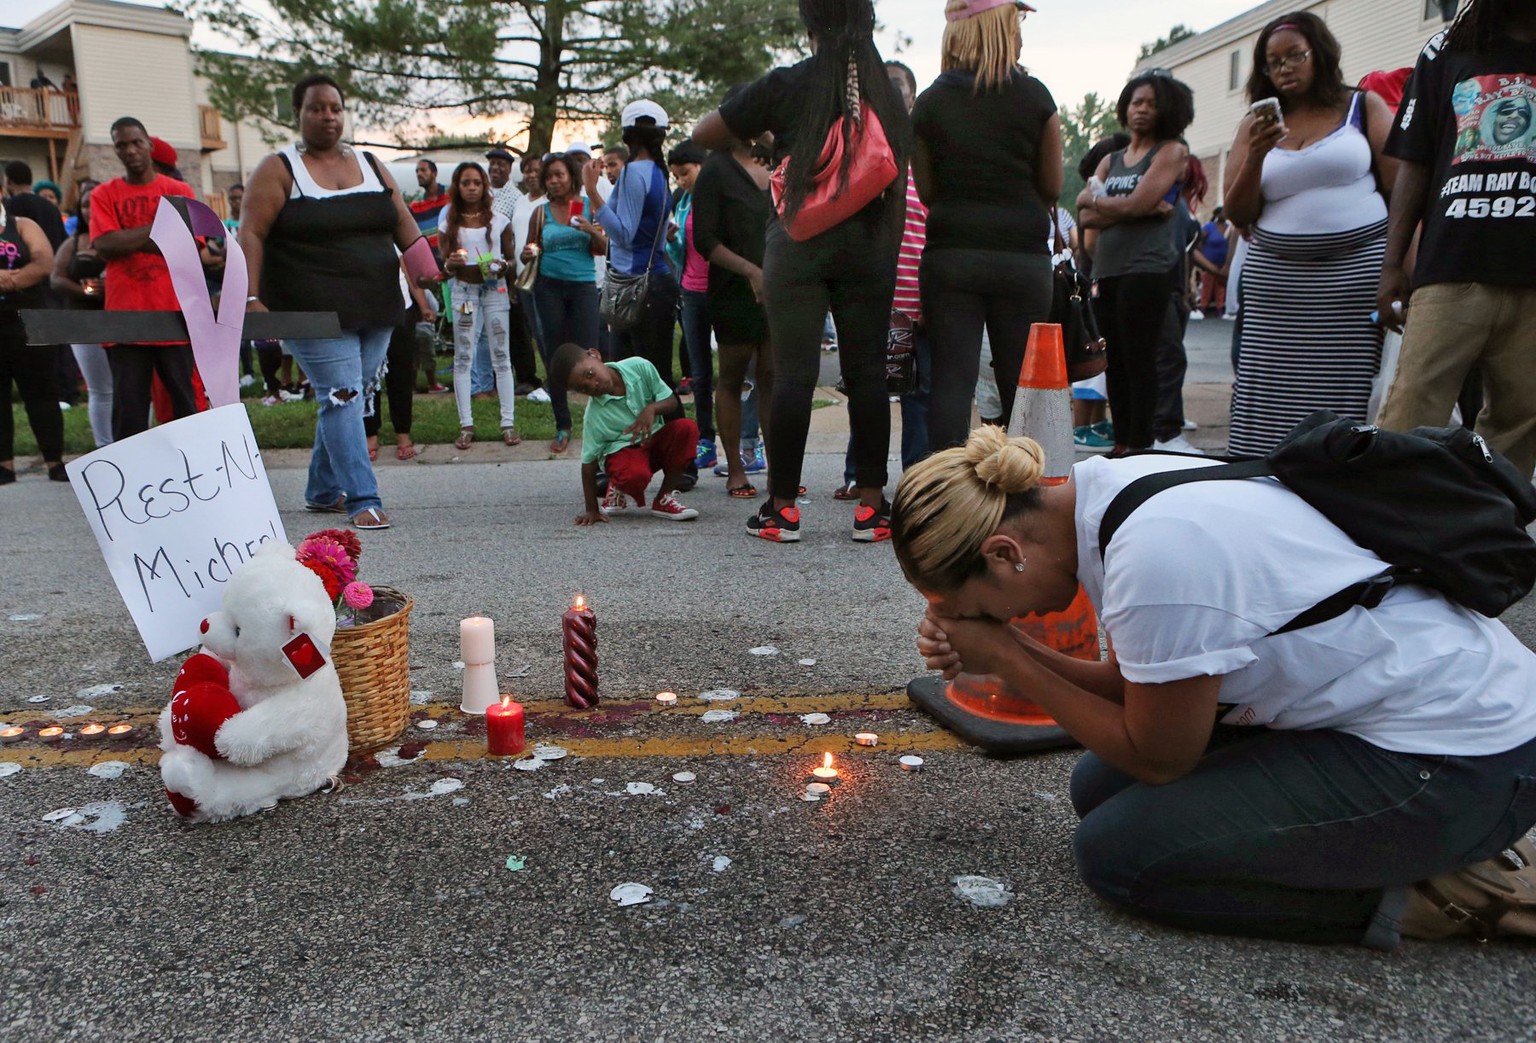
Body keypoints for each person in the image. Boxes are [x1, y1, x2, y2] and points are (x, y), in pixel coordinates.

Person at [891, 424, 1536, 948]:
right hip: (1399, 709)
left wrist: (1007, 655)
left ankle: (1438, 898)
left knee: (1121, 857)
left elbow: (1163, 757)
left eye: (980, 606)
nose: (1000, 621)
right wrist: (1010, 650)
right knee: (1098, 784)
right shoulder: (1116, 486)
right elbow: (1141, 684)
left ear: (1004, 553)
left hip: (1462, 758)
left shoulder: (1156, 558)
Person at [694, 0, 913, 544]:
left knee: (793, 376)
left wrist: (768, 141)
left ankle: (782, 511)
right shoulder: (887, 91)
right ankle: (871, 509)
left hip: (796, 241)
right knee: (866, 376)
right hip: (869, 245)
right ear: (868, 22)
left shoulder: (788, 84)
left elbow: (705, 133)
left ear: (808, 25)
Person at [240, 74, 425, 531]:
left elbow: (401, 220)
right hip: (311, 307)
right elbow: (252, 233)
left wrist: (428, 279)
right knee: (343, 395)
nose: (328, 116)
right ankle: (361, 496)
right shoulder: (278, 168)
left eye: (335, 108)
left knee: (347, 396)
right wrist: (250, 296)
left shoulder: (370, 162)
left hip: (379, 301)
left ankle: (322, 490)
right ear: (298, 113)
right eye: (317, 108)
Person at [1222, 12, 1397, 458]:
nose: (1284, 68)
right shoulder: (1254, 126)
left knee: (1346, 388)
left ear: (1318, 54)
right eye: (1272, 62)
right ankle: (1261, 473)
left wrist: (1402, 264)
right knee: (1268, 391)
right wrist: (1258, 154)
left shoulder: (1363, 106)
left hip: (1353, 280)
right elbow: (1240, 212)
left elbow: (1403, 190)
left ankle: (1339, 475)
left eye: (1294, 56)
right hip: (1276, 286)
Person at [1377, 0, 1536, 478]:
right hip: (1450, 270)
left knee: (1520, 423)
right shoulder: (1447, 47)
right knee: (1409, 417)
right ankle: (1389, 533)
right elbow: (1414, 162)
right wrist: (1391, 265)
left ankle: (1485, 538)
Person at [913, 0, 1061, 452]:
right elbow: (1052, 186)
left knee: (951, 384)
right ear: (999, 29)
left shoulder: (930, 103)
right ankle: (1025, 498)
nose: (1021, 34)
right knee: (1023, 387)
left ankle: (947, 497)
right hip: (1021, 258)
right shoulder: (1036, 96)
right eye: (1016, 24)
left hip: (952, 255)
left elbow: (927, 192)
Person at [1076, 72, 1192, 455]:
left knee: (1140, 359)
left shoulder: (1172, 151)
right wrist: (1132, 209)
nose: (1141, 109)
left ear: (1168, 110)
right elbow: (1083, 210)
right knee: (1114, 361)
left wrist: (1110, 206)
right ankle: (1121, 440)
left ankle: (1141, 444)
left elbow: (1124, 204)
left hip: (1147, 270)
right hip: (1107, 270)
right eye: (1136, 101)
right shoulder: (1111, 160)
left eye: (1151, 103)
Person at [89, 116, 199, 441]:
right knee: (130, 411)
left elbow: (188, 246)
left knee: (186, 406)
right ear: (115, 151)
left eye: (136, 142)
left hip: (174, 313)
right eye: (121, 145)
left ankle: (195, 474)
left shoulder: (179, 191)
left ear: (149, 145)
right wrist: (158, 230)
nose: (130, 150)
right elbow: (105, 244)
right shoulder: (103, 194)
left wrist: (127, 237)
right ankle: (131, 481)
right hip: (125, 318)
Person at [692, 92, 775, 501]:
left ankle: (782, 469)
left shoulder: (776, 163)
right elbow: (705, 239)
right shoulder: (716, 170)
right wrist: (750, 271)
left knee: (773, 379)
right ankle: (736, 469)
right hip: (732, 290)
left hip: (780, 289)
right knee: (732, 376)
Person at [548, 343, 700, 525]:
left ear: (595, 355)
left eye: (590, 374)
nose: (593, 385)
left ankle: (663, 499)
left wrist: (652, 409)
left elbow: (671, 401)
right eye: (584, 389)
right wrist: (591, 510)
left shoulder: (639, 366)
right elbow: (588, 463)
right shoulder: (595, 415)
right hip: (624, 454)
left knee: (687, 428)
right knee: (634, 476)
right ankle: (617, 484)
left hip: (653, 441)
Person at [589, 101, 680, 387]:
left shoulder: (633, 172)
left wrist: (592, 191)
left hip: (636, 288)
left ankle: (656, 431)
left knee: (631, 380)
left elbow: (623, 234)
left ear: (627, 133)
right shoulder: (657, 171)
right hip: (658, 282)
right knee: (658, 380)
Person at [521, 152, 607, 454]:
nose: (553, 181)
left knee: (590, 354)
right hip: (548, 288)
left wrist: (589, 228)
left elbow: (603, 247)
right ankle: (563, 425)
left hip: (583, 286)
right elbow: (527, 251)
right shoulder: (540, 212)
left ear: (571, 176)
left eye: (559, 175)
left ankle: (601, 423)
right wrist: (529, 253)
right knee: (556, 356)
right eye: (549, 177)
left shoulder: (589, 208)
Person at [440, 161, 519, 449]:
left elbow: (511, 260)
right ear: (457, 187)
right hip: (463, 293)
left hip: (494, 290)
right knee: (463, 357)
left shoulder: (499, 220)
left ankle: (508, 423)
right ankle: (466, 424)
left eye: (476, 182)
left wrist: (502, 265)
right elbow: (444, 264)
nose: (472, 188)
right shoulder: (448, 222)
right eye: (466, 183)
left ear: (484, 186)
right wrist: (451, 263)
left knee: (501, 354)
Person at [0, 198, 64, 484]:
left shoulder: (22, 225)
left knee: (42, 393)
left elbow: (43, 261)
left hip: (27, 323)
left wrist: (12, 280)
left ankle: (55, 461)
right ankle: (5, 465)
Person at [664, 140, 717, 470]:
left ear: (702, 165)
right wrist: (672, 239)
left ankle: (747, 441)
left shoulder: (717, 195)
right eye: (676, 175)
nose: (682, 180)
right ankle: (705, 440)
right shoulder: (681, 200)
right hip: (691, 290)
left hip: (723, 290)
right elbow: (681, 251)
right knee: (699, 373)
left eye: (686, 173)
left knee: (737, 372)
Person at [51, 186, 113, 447]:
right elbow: (56, 278)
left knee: (131, 389)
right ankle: (106, 448)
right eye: (85, 205)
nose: (90, 210)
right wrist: (86, 292)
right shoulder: (73, 243)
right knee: (100, 389)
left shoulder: (121, 238)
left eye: (95, 203)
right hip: (85, 323)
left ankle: (134, 445)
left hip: (125, 319)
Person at [477, 147, 541, 397]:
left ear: (509, 168)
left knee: (516, 325)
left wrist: (512, 272)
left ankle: (526, 376)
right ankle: (489, 377)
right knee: (488, 325)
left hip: (508, 267)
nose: (495, 168)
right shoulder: (482, 194)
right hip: (481, 264)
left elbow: (515, 236)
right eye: (492, 164)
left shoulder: (516, 197)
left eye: (501, 164)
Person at [366, 258, 435, 463]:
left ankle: (403, 434)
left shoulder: (394, 231)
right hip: (367, 312)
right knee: (370, 375)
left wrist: (423, 306)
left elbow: (410, 275)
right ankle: (370, 435)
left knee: (401, 374)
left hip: (401, 311)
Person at [1194, 206, 1230, 316]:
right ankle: (1203, 308)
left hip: (1222, 263)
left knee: (1220, 287)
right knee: (1207, 286)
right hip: (1209, 262)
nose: (1224, 215)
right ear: (1217, 215)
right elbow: (1199, 239)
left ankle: (1220, 309)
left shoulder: (1228, 227)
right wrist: (1202, 255)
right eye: (1222, 213)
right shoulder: (1209, 227)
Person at [409, 158, 448, 250]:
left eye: (423, 170)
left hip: (454, 256)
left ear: (434, 173)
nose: (419, 174)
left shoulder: (451, 194)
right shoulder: (415, 205)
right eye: (417, 171)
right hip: (432, 259)